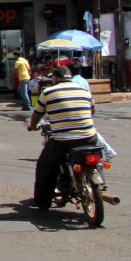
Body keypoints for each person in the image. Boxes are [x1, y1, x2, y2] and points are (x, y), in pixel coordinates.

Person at [26, 65, 98, 210]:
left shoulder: (48, 92)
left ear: (55, 78)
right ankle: (97, 179)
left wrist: (32, 126)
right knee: (96, 157)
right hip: (89, 137)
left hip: (63, 140)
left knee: (45, 167)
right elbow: (92, 111)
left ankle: (42, 202)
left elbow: (37, 114)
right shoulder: (84, 91)